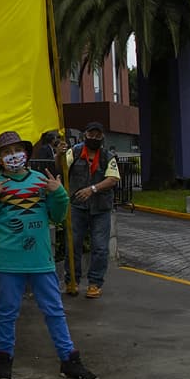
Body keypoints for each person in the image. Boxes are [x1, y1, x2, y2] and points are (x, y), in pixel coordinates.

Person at [0, 130, 99, 379]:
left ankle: (69, 360)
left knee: (55, 311)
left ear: (26, 154)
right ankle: (3, 362)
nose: (13, 156)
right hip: (8, 261)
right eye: (6, 153)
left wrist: (58, 193)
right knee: (7, 313)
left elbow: (56, 216)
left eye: (16, 150)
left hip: (40, 260)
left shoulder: (42, 181)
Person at [62, 121, 120, 298]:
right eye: (90, 134)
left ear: (102, 137)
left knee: (100, 247)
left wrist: (92, 189)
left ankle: (95, 283)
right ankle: (72, 281)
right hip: (76, 206)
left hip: (101, 208)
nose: (93, 138)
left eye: (97, 135)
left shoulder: (107, 156)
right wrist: (59, 154)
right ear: (84, 135)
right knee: (72, 244)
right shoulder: (75, 151)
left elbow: (113, 179)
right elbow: (61, 167)